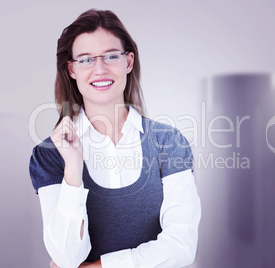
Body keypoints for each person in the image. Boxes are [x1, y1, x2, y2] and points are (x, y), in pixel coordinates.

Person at [29, 9, 201, 268]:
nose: (100, 69)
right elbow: (67, 258)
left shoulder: (169, 143)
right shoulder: (50, 155)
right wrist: (73, 168)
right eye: (85, 59)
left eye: (111, 56)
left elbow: (181, 246)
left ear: (128, 62)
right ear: (72, 69)